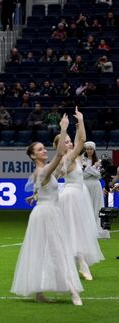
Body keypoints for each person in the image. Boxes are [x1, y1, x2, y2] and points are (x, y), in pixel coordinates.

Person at [11, 113, 83, 305]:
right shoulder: (42, 170)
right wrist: (63, 128)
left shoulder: (43, 172)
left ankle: (40, 293)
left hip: (47, 211)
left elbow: (72, 151)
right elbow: (59, 155)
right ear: (33, 155)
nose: (44, 151)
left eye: (44, 148)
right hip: (46, 214)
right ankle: (73, 291)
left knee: (48, 250)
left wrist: (34, 196)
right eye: (40, 149)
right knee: (56, 250)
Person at [55, 109, 104, 280]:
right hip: (71, 196)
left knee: (80, 230)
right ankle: (81, 264)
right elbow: (79, 141)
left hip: (79, 193)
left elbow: (80, 139)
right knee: (74, 231)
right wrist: (65, 129)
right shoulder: (66, 158)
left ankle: (80, 262)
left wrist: (80, 123)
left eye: (69, 141)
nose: (69, 143)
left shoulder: (74, 155)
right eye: (66, 141)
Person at [82, 141, 110, 239]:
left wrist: (89, 169)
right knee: (86, 207)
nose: (89, 151)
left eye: (91, 149)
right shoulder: (82, 160)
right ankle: (86, 229)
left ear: (94, 150)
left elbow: (99, 175)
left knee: (97, 207)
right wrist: (94, 167)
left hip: (95, 186)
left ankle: (98, 228)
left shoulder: (99, 160)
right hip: (85, 185)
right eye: (87, 149)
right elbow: (83, 175)